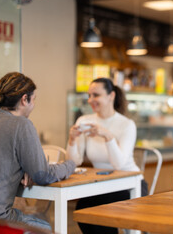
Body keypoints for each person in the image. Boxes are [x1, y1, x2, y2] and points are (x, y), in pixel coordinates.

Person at [0, 72, 76, 231]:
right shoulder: (21, 124)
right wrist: (71, 164)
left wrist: (22, 168)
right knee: (44, 226)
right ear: (25, 99)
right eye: (34, 99)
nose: (34, 104)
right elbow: (43, 175)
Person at [66, 77, 147, 234]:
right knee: (82, 209)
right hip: (102, 185)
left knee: (100, 212)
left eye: (96, 95)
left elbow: (119, 165)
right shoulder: (85, 120)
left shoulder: (127, 124)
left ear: (111, 96)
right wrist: (72, 140)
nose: (90, 100)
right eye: (89, 96)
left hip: (130, 183)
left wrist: (108, 136)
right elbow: (73, 162)